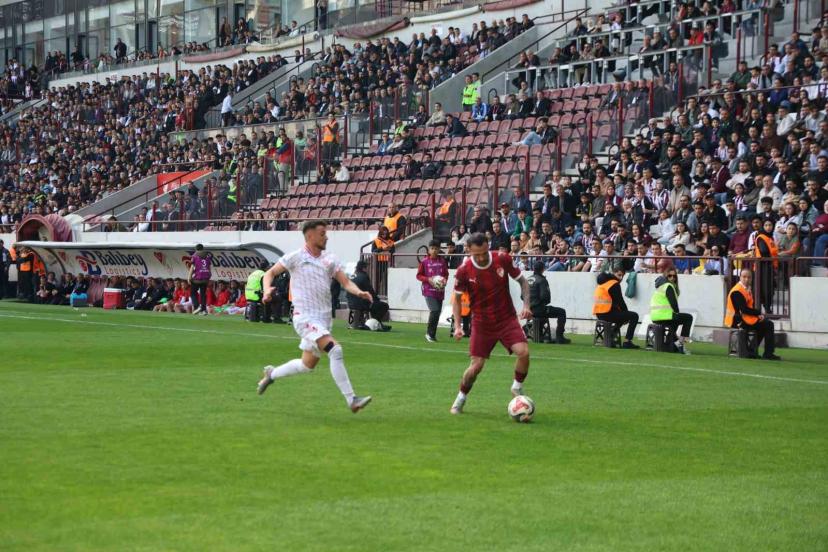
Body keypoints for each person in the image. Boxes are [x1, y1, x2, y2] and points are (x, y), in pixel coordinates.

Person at [257, 220, 373, 413]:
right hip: (305, 317)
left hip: (323, 319)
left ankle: (271, 374)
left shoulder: (330, 259)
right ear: (309, 236)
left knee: (307, 365)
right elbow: (270, 273)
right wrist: (267, 289)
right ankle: (352, 399)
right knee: (335, 350)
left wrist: (358, 292)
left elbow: (345, 283)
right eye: (322, 234)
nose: (326, 237)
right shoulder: (295, 257)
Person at [449, 233, 532, 415]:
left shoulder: (502, 259)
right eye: (476, 254)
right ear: (469, 250)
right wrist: (458, 326)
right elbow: (456, 299)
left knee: (524, 352)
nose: (481, 257)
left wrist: (526, 305)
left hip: (506, 318)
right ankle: (460, 398)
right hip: (482, 323)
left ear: (488, 246)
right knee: (476, 366)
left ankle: (517, 387)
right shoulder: (464, 270)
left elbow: (523, 282)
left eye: (484, 253)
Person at [724, 268, 781, 360]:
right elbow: (744, 309)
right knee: (768, 324)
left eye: (749, 277)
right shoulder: (737, 291)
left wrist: (757, 315)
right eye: (744, 277)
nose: (746, 279)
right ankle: (766, 353)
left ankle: (752, 351)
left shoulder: (745, 289)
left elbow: (747, 308)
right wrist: (758, 313)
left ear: (751, 278)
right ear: (740, 277)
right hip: (736, 320)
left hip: (743, 318)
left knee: (765, 325)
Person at [649, 265, 694, 353]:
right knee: (688, 318)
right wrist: (677, 313)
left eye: (674, 276)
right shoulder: (668, 286)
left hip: (655, 317)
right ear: (666, 276)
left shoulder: (660, 287)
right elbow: (673, 304)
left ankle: (672, 344)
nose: (672, 278)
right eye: (670, 276)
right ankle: (681, 342)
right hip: (665, 316)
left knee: (675, 322)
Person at [592, 269, 640, 349]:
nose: (621, 278)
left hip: (599, 314)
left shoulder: (602, 284)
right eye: (619, 275)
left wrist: (624, 315)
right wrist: (626, 314)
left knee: (621, 316)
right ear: (613, 274)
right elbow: (620, 301)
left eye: (622, 276)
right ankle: (627, 341)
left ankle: (610, 336)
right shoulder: (614, 283)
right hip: (607, 313)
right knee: (634, 316)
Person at [528, 262, 571, 344]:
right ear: (543, 269)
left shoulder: (527, 279)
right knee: (562, 312)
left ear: (533, 268)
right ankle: (559, 337)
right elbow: (545, 297)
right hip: (539, 309)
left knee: (542, 313)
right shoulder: (542, 280)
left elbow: (522, 296)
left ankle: (539, 334)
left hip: (528, 310)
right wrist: (543, 303)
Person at [417, 240, 449, 342]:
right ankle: (429, 334)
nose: (434, 250)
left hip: (439, 290)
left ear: (439, 249)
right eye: (432, 248)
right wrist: (428, 279)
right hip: (428, 290)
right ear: (429, 250)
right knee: (434, 310)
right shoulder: (424, 262)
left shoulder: (442, 261)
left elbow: (446, 274)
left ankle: (432, 334)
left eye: (436, 248)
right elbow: (418, 275)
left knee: (437, 312)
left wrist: (444, 281)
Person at [348, 261, 390, 330]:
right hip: (361, 303)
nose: (367, 268)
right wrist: (377, 300)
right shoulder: (364, 276)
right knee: (384, 306)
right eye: (366, 267)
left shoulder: (351, 276)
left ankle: (364, 322)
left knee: (373, 304)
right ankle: (375, 323)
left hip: (350, 303)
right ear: (363, 268)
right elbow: (370, 290)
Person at [189, 244, 211, 315]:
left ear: (196, 249)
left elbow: (192, 267)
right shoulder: (208, 256)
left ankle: (197, 306)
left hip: (197, 278)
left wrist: (189, 277)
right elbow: (209, 268)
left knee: (192, 293)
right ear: (203, 248)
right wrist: (208, 277)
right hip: (205, 278)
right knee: (203, 294)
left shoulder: (194, 256)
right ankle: (203, 310)